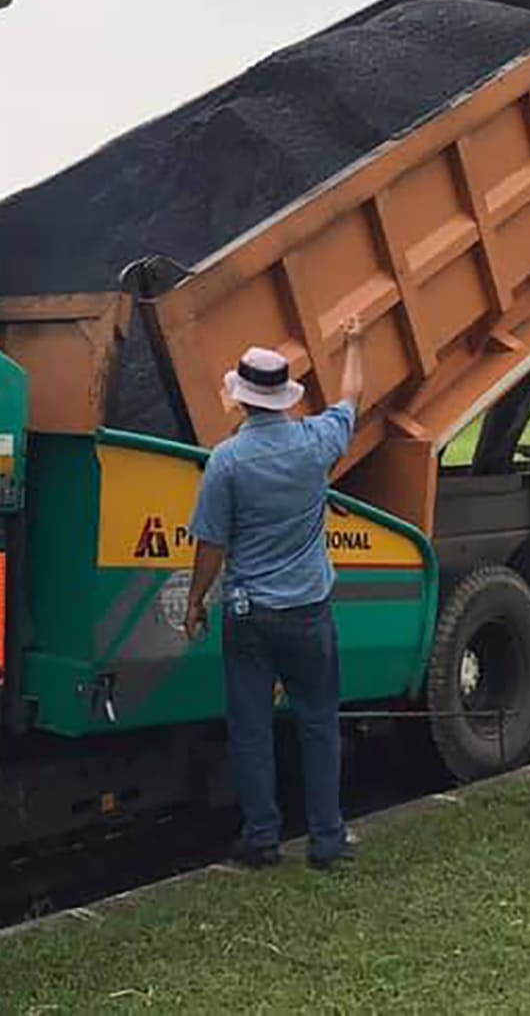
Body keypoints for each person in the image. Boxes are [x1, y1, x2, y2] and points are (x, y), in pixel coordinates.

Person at [183, 318, 365, 871]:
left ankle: (261, 838)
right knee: (317, 720)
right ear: (285, 396)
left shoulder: (227, 462)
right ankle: (327, 841)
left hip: (249, 614)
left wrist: (195, 602)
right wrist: (355, 342)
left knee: (252, 728)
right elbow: (354, 394)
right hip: (309, 610)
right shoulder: (317, 442)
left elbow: (211, 544)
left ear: (242, 400)